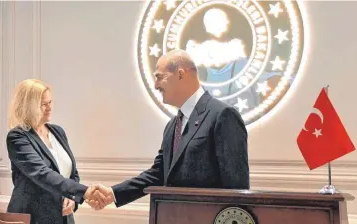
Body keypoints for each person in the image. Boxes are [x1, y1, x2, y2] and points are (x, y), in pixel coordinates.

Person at [89, 49, 249, 210]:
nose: (156, 85)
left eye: (159, 77)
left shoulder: (223, 115)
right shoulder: (173, 125)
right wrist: (114, 193)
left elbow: (236, 188)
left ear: (180, 74)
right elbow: (158, 174)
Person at [6, 79, 96, 224]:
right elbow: (42, 174)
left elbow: (71, 173)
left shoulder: (58, 132)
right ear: (28, 106)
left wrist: (73, 198)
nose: (48, 108)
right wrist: (83, 192)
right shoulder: (18, 137)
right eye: (42, 104)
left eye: (50, 102)